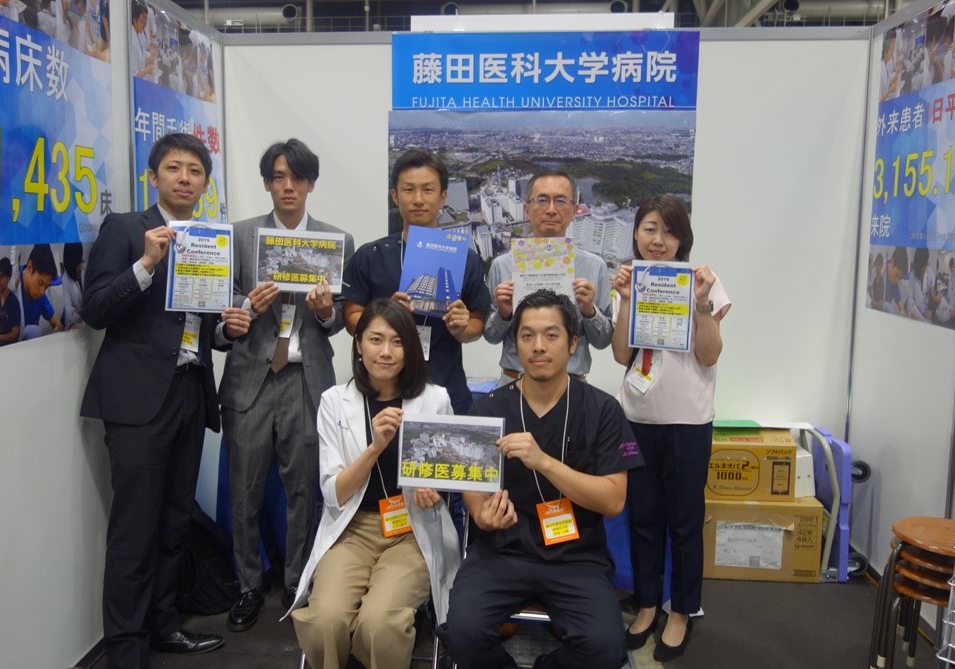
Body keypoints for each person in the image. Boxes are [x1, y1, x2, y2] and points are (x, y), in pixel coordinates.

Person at [80, 133, 253, 669]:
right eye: (174, 168)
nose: (185, 178)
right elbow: (95, 309)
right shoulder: (125, 229)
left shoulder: (210, 240)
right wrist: (146, 264)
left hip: (189, 390)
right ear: (153, 177)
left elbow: (204, 328)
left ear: (205, 183)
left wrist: (230, 329)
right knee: (134, 529)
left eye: (195, 171)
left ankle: (163, 625)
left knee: (175, 521)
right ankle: (126, 649)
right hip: (136, 399)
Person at [438, 289, 642, 669]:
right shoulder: (488, 409)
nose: (538, 346)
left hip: (575, 556)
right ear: (515, 343)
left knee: (605, 648)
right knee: (462, 635)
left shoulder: (602, 410)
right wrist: (482, 516)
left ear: (573, 344)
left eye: (551, 335)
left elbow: (613, 500)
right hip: (501, 551)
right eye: (527, 335)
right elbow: (473, 490)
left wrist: (544, 462)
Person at [220, 139, 355, 632]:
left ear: (311, 184)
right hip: (251, 378)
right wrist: (244, 308)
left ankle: (298, 580)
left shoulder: (337, 241)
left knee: (305, 489)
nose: (288, 186)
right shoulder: (240, 236)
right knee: (244, 490)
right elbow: (222, 305)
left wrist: (326, 313)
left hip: (305, 378)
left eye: (298, 177)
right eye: (279, 177)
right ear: (267, 183)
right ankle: (248, 585)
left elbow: (340, 319)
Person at [288, 298, 461, 669]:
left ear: (411, 349)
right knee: (325, 620)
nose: (386, 352)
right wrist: (375, 447)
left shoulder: (435, 399)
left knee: (379, 623)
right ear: (358, 345)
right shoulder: (334, 402)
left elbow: (443, 480)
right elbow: (334, 493)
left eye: (398, 342)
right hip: (352, 530)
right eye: (376, 340)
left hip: (411, 531)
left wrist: (433, 493)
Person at [610, 194, 730, 663]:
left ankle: (681, 610)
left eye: (669, 230)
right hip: (637, 417)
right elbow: (621, 355)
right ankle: (645, 605)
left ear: (683, 237)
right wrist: (624, 301)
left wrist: (700, 305)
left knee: (683, 521)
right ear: (636, 233)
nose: (658, 239)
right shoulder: (628, 280)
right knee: (642, 517)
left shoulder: (704, 281)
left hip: (688, 421)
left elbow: (709, 354)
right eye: (649, 228)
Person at [342, 148, 489, 414]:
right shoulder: (371, 256)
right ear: (395, 196)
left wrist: (462, 328)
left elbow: (478, 321)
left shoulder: (464, 258)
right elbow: (351, 318)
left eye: (428, 190)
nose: (418, 199)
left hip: (446, 387)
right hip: (382, 390)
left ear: (443, 196)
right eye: (409, 190)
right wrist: (385, 316)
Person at [484, 170, 612, 384]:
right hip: (515, 382)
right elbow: (490, 336)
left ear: (574, 210)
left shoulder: (594, 267)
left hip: (572, 386)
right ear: (526, 209)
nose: (551, 210)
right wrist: (504, 314)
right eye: (542, 200)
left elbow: (603, 341)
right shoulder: (502, 265)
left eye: (560, 201)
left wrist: (589, 311)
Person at [17, 244, 62, 340]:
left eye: (46, 287)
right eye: (40, 283)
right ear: (30, 267)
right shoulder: (13, 287)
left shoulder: (39, 295)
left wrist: (58, 330)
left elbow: (56, 322)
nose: (42, 292)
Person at [61, 242, 85, 329]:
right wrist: (81, 311)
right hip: (78, 324)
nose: (80, 268)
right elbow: (68, 309)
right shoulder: (65, 279)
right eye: (77, 264)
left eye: (80, 262)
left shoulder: (86, 271)